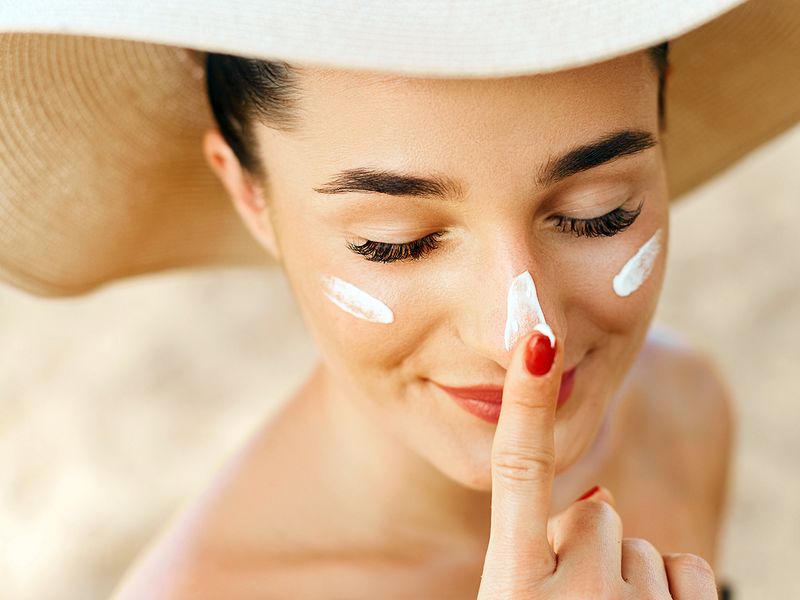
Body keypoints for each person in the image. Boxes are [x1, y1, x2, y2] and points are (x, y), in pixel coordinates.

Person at [1, 1, 797, 598]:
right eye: (395, 240)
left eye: (600, 214)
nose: (520, 331)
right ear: (249, 193)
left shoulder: (678, 410)